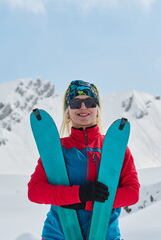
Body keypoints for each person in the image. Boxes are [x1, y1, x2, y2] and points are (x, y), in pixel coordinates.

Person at [28, 80, 140, 240]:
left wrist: (87, 202)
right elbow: (35, 191)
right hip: (58, 235)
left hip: (105, 235)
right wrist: (79, 194)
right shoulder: (57, 149)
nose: (83, 107)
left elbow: (132, 193)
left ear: (97, 109)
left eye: (90, 102)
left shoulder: (115, 148)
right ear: (67, 111)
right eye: (75, 103)